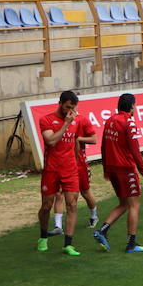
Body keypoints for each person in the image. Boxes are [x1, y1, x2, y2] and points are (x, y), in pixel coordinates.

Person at [93, 93, 143, 253]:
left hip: (112, 169)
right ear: (132, 106)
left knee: (124, 204)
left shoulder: (110, 120)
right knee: (134, 205)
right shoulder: (129, 123)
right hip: (125, 169)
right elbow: (135, 151)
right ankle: (131, 244)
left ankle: (102, 230)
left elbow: (103, 146)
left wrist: (106, 169)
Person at [36, 90, 86, 256]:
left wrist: (79, 163)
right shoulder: (46, 120)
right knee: (46, 206)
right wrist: (65, 123)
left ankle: (68, 244)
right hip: (51, 170)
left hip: (70, 170)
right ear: (60, 103)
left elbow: (76, 142)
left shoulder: (75, 121)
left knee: (72, 204)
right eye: (67, 107)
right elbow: (50, 141)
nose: (70, 111)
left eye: (72, 108)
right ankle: (43, 237)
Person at [52, 107, 99, 233]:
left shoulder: (82, 120)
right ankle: (58, 226)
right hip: (62, 163)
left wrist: (79, 139)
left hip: (79, 163)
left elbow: (94, 139)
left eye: (72, 105)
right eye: (67, 105)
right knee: (59, 193)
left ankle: (94, 215)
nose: (69, 108)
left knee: (85, 192)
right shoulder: (57, 121)